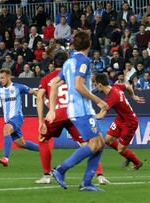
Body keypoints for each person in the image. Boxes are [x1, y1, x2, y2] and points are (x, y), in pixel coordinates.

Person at [46, 31, 107, 192]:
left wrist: (52, 109)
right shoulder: (84, 60)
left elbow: (54, 85)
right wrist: (99, 100)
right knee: (94, 144)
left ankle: (86, 182)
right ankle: (61, 169)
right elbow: (79, 85)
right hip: (82, 109)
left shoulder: (68, 62)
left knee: (100, 144)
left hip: (74, 109)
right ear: (89, 44)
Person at [0, 68, 38, 167]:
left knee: (6, 129)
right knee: (21, 144)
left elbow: (33, 92)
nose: (0, 80)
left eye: (2, 78)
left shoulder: (18, 87)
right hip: (8, 120)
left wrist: (44, 98)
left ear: (8, 77)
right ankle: (43, 149)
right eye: (0, 78)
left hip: (17, 117)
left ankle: (5, 158)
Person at [95, 73, 144, 170]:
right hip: (121, 118)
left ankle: (137, 163)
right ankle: (128, 156)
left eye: (96, 84)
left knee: (121, 150)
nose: (96, 86)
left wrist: (87, 117)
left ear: (100, 84)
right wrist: (133, 96)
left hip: (130, 122)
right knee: (108, 140)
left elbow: (100, 116)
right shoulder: (115, 86)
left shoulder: (111, 97)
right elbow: (128, 86)